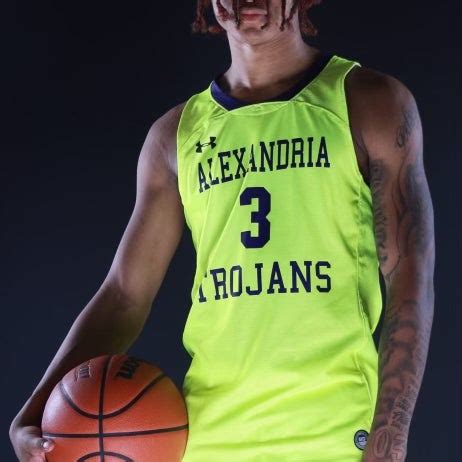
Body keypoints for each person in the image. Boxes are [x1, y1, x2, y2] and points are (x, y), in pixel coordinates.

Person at [9, 1, 435, 461]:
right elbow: (124, 296)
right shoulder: (174, 136)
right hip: (208, 438)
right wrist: (34, 411)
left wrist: (390, 440)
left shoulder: (369, 101)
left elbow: (409, 277)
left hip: (334, 433)